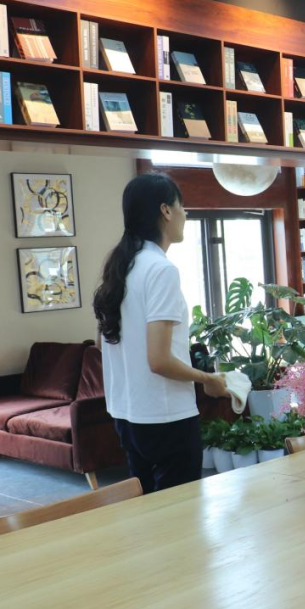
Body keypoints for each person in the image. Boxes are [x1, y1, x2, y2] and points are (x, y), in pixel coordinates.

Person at [93, 173, 228, 494]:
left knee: (149, 512)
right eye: (182, 206)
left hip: (128, 416)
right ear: (166, 210)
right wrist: (208, 379)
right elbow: (159, 360)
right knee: (180, 513)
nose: (185, 214)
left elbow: (105, 344)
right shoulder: (161, 269)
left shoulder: (121, 267)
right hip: (166, 417)